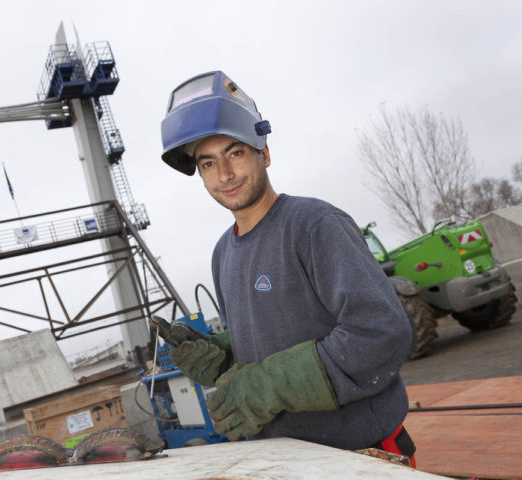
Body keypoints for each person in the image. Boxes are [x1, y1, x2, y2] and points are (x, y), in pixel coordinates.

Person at [160, 71, 416, 463]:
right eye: (208, 163)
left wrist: (269, 386)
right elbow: (261, 352)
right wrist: (220, 357)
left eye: (235, 153)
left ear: (263, 152)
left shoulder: (313, 224)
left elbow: (381, 333)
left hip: (364, 456)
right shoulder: (222, 253)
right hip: (283, 458)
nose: (224, 174)